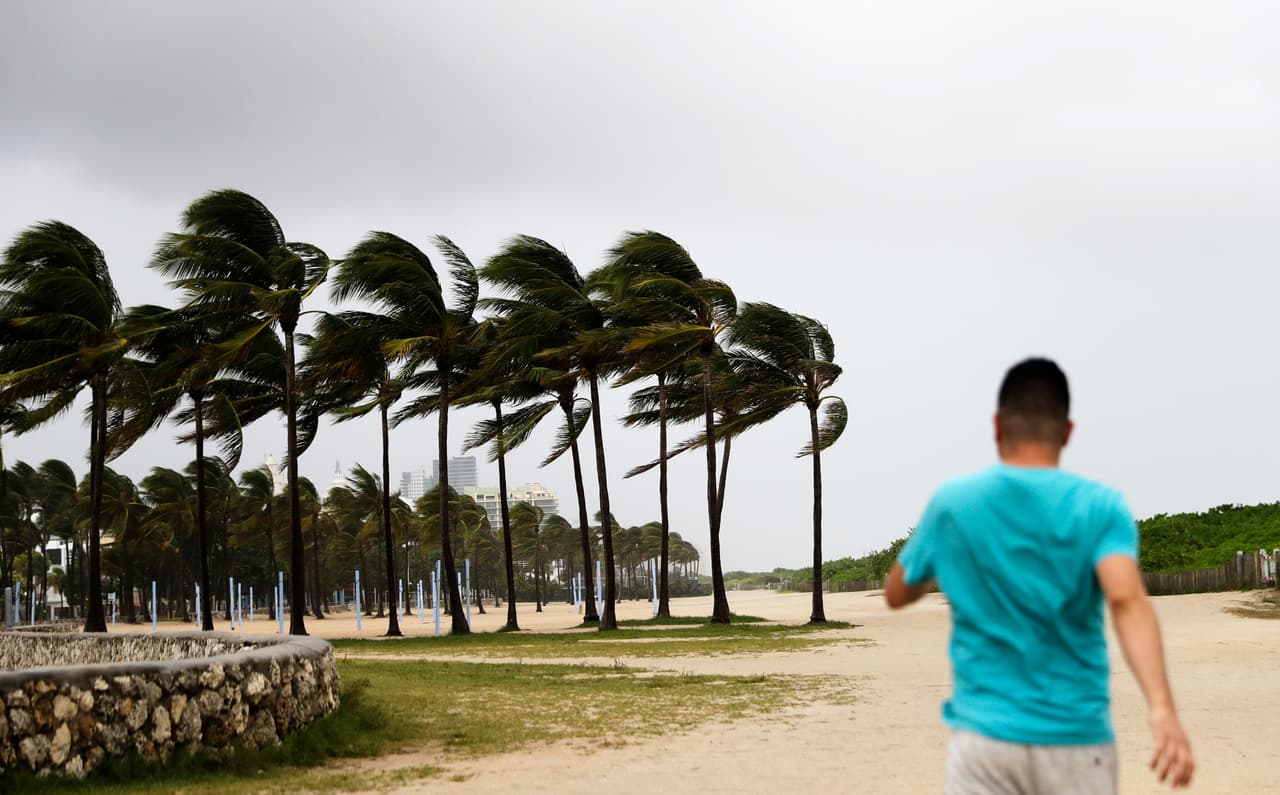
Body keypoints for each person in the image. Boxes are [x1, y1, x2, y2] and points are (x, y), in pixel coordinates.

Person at [884, 357, 1194, 794]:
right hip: (1075, 739)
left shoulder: (953, 503)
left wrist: (942, 561)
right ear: (1067, 431)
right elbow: (1126, 600)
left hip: (983, 739)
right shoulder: (1101, 506)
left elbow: (896, 592)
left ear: (997, 427)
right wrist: (1161, 709)